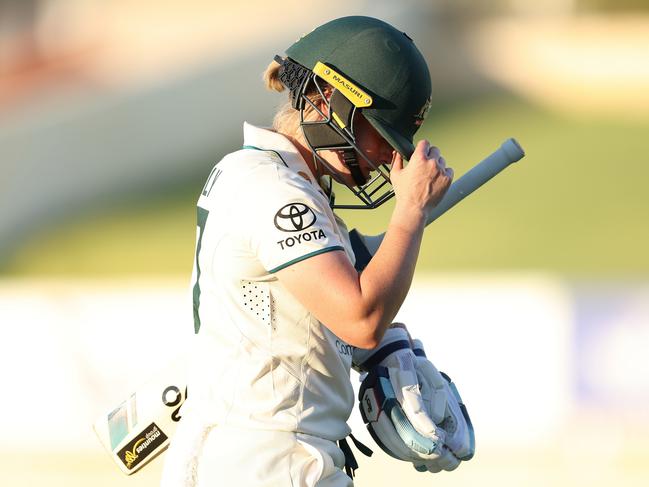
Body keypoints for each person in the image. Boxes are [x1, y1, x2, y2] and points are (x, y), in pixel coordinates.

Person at [160, 16, 454, 487]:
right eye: (380, 132)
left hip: (265, 456)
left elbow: (297, 320)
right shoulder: (277, 191)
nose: (388, 157)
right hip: (266, 461)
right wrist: (411, 211)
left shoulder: (281, 181)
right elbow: (360, 318)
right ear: (326, 100)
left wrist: (385, 350)